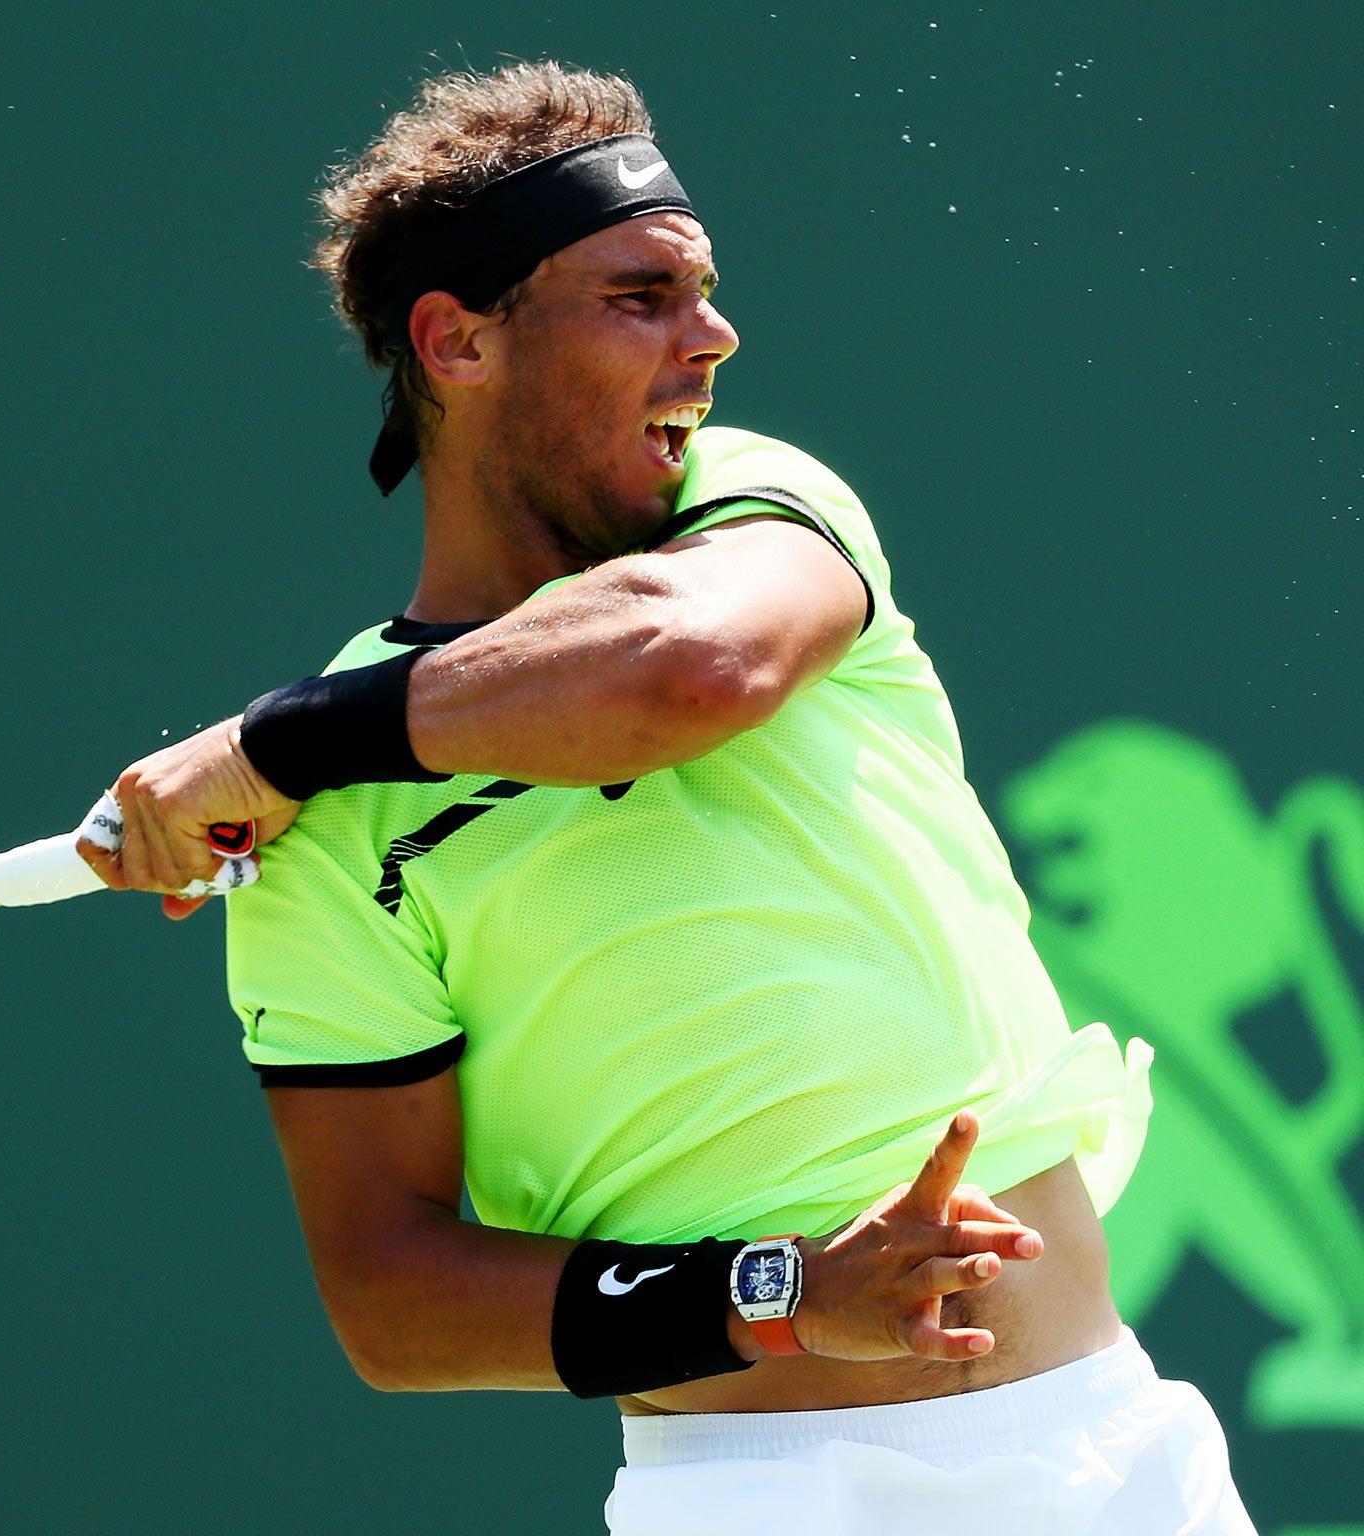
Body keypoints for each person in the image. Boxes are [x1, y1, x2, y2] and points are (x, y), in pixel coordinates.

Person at [80, 62, 1254, 1534]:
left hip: (1111, 1458)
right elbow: (394, 1298)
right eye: (639, 298)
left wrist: (281, 742)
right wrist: (781, 1294)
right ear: (457, 341)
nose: (713, 340)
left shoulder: (760, 499)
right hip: (763, 1504)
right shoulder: (326, 836)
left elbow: (688, 663)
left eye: (702, 293)